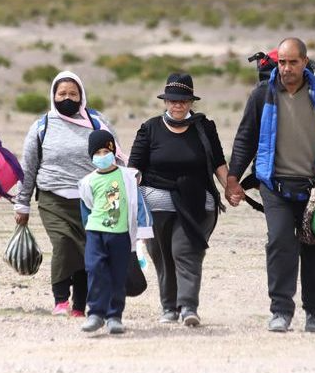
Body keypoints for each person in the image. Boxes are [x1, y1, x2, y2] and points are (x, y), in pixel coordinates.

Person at [224, 38, 315, 333]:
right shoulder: (263, 94)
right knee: (280, 242)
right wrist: (233, 177)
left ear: (305, 62)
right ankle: (281, 311)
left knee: (314, 247)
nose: (286, 68)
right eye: (282, 62)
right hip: (275, 184)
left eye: (292, 62)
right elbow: (246, 137)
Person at [13, 71, 124, 318]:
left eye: (73, 94)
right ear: (53, 95)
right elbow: (28, 167)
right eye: (62, 93)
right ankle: (61, 300)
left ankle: (79, 306)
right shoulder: (43, 125)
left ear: (81, 95)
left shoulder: (96, 121)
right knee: (63, 244)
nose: (67, 98)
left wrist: (125, 191)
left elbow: (116, 156)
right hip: (53, 198)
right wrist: (22, 204)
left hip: (92, 199)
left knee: (88, 251)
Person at [128, 73, 227, 327]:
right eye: (173, 100)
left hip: (195, 202)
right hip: (155, 205)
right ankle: (169, 307)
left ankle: (188, 307)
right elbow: (134, 168)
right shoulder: (149, 128)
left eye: (183, 100)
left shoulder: (205, 128)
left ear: (191, 102)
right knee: (161, 256)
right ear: (165, 101)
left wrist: (231, 187)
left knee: (185, 250)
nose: (178, 105)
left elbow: (218, 164)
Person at [77, 131, 153, 334]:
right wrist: (88, 230)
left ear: (113, 152)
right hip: (95, 232)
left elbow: (139, 204)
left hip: (120, 235)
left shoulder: (128, 177)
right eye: (98, 153)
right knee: (94, 270)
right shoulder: (87, 182)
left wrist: (144, 232)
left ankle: (114, 317)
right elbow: (86, 208)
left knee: (118, 275)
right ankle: (95, 314)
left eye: (106, 151)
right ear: (91, 156)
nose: (103, 156)